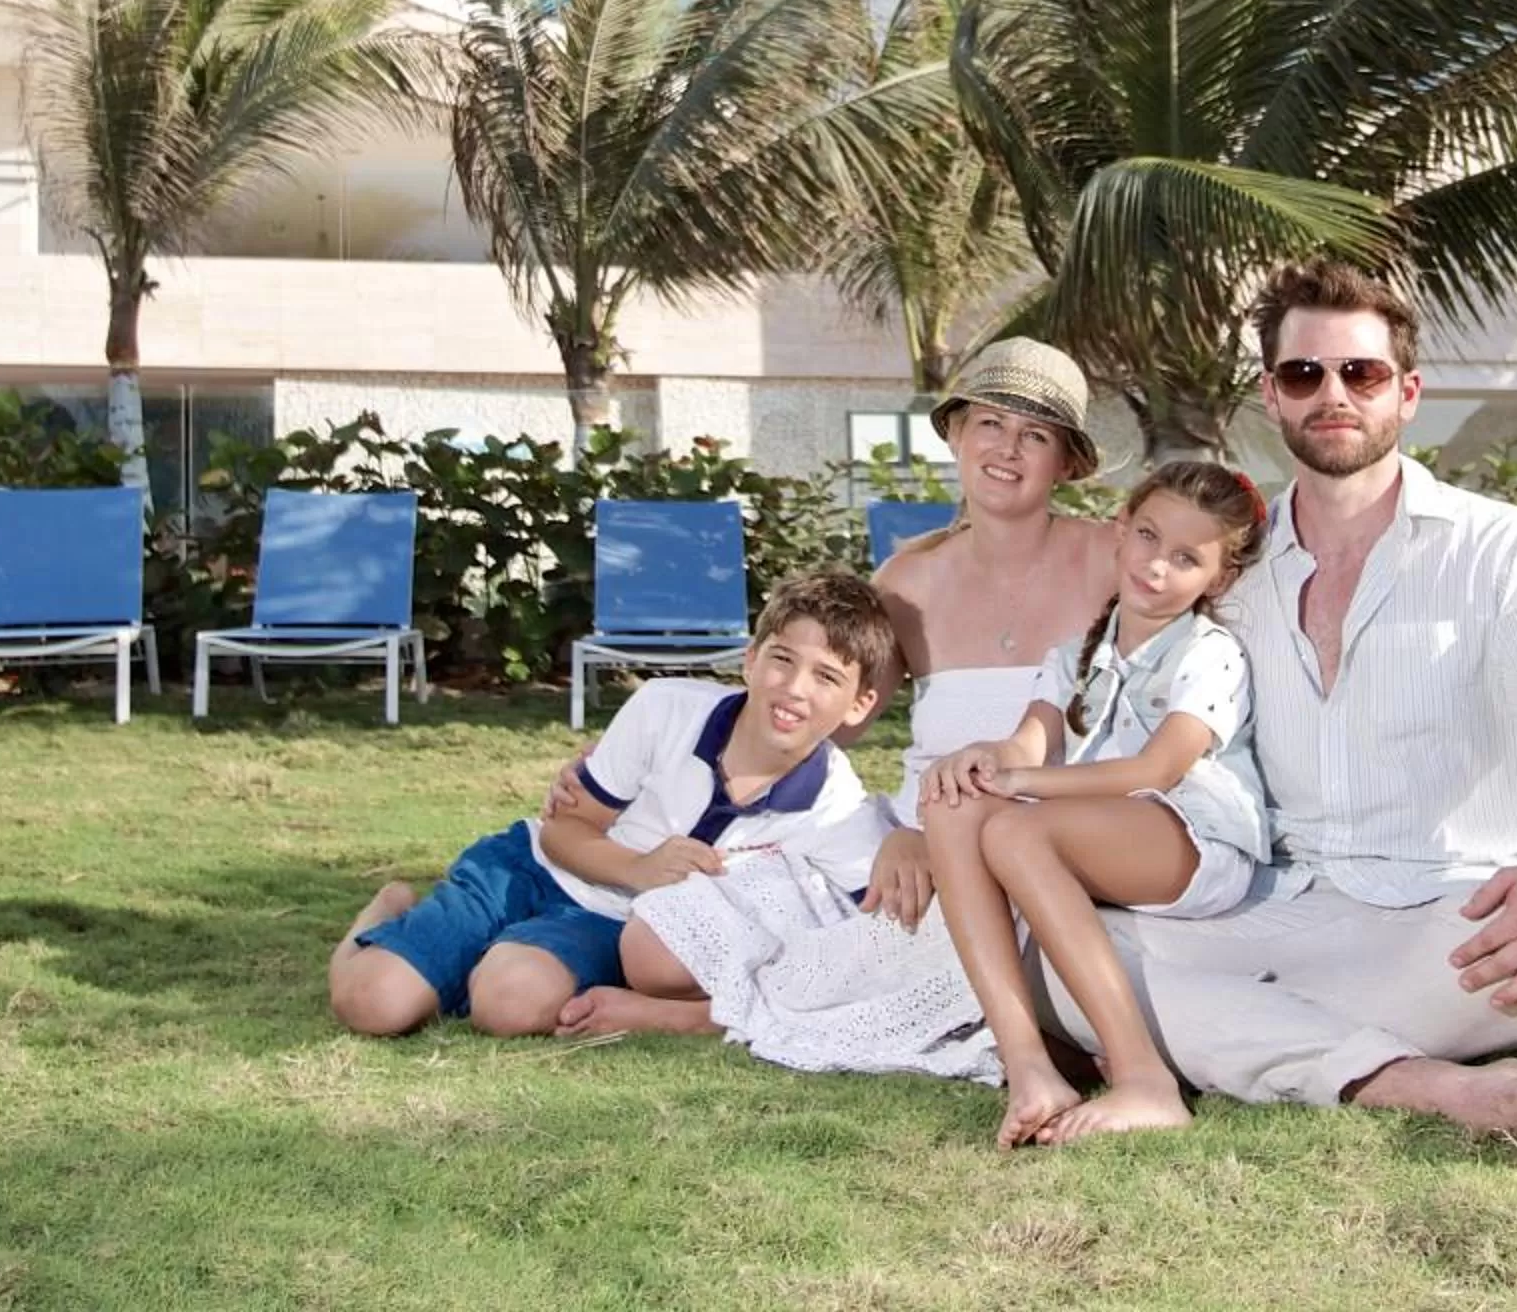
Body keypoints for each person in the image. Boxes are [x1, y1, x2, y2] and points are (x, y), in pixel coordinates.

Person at [1038, 259, 1517, 1160]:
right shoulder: (1231, 571)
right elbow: (1124, 688)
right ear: (1272, 395)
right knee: (1054, 955)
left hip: (1454, 917)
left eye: (1361, 373)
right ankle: (1437, 1088)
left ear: (1407, 393)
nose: (1332, 394)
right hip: (1275, 901)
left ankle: (1204, 1040)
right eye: (1304, 374)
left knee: (1126, 998)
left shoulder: (1505, 551)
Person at [548, 339, 1118, 1075]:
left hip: (1046, 844)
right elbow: (819, 711)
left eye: (1035, 435)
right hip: (919, 843)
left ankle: (715, 1017)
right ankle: (748, 1004)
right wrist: (633, 749)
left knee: (945, 961)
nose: (1006, 449)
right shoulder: (910, 579)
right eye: (989, 424)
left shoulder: (1113, 561)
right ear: (955, 433)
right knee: (656, 942)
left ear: (1066, 461)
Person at [327, 571, 896, 1039]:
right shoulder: (667, 708)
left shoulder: (837, 805)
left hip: (608, 920)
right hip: (533, 866)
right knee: (372, 1004)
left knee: (510, 1006)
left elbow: (873, 936)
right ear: (750, 659)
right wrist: (640, 868)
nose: (794, 688)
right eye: (782, 659)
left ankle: (473, 963)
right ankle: (390, 911)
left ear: (860, 704)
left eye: (826, 676)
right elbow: (563, 830)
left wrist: (913, 840)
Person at [921, 459, 1270, 1147]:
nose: (1156, 566)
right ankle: (1029, 1067)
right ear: (1121, 527)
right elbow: (1026, 744)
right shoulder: (1076, 654)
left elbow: (1155, 770)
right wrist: (985, 761)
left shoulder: (1210, 654)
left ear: (1219, 578)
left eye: (1186, 558)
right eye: (1148, 536)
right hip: (1105, 828)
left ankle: (1145, 1080)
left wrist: (1023, 785)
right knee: (954, 805)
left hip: (1195, 840)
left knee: (1018, 833)